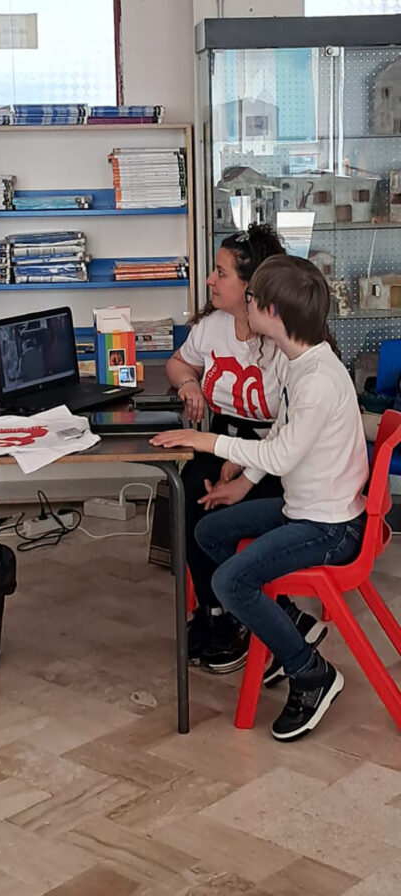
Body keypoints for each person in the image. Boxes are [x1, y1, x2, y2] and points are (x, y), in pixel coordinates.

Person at [152, 255, 368, 741]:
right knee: (210, 530)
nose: (243, 306)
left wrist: (209, 443)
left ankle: (311, 673)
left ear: (272, 311)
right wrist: (244, 476)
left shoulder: (317, 380)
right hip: (304, 510)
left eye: (250, 298)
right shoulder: (300, 362)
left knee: (231, 581)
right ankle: (287, 621)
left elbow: (283, 453)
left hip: (330, 527)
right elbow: (280, 433)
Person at [165, 223, 319, 674]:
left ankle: (250, 610)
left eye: (221, 273)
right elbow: (178, 363)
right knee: (192, 491)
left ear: (252, 286)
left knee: (235, 508)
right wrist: (189, 384)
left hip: (270, 450)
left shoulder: (281, 339)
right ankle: (212, 610)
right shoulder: (211, 327)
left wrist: (242, 468)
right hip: (222, 438)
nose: (210, 280)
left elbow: (284, 437)